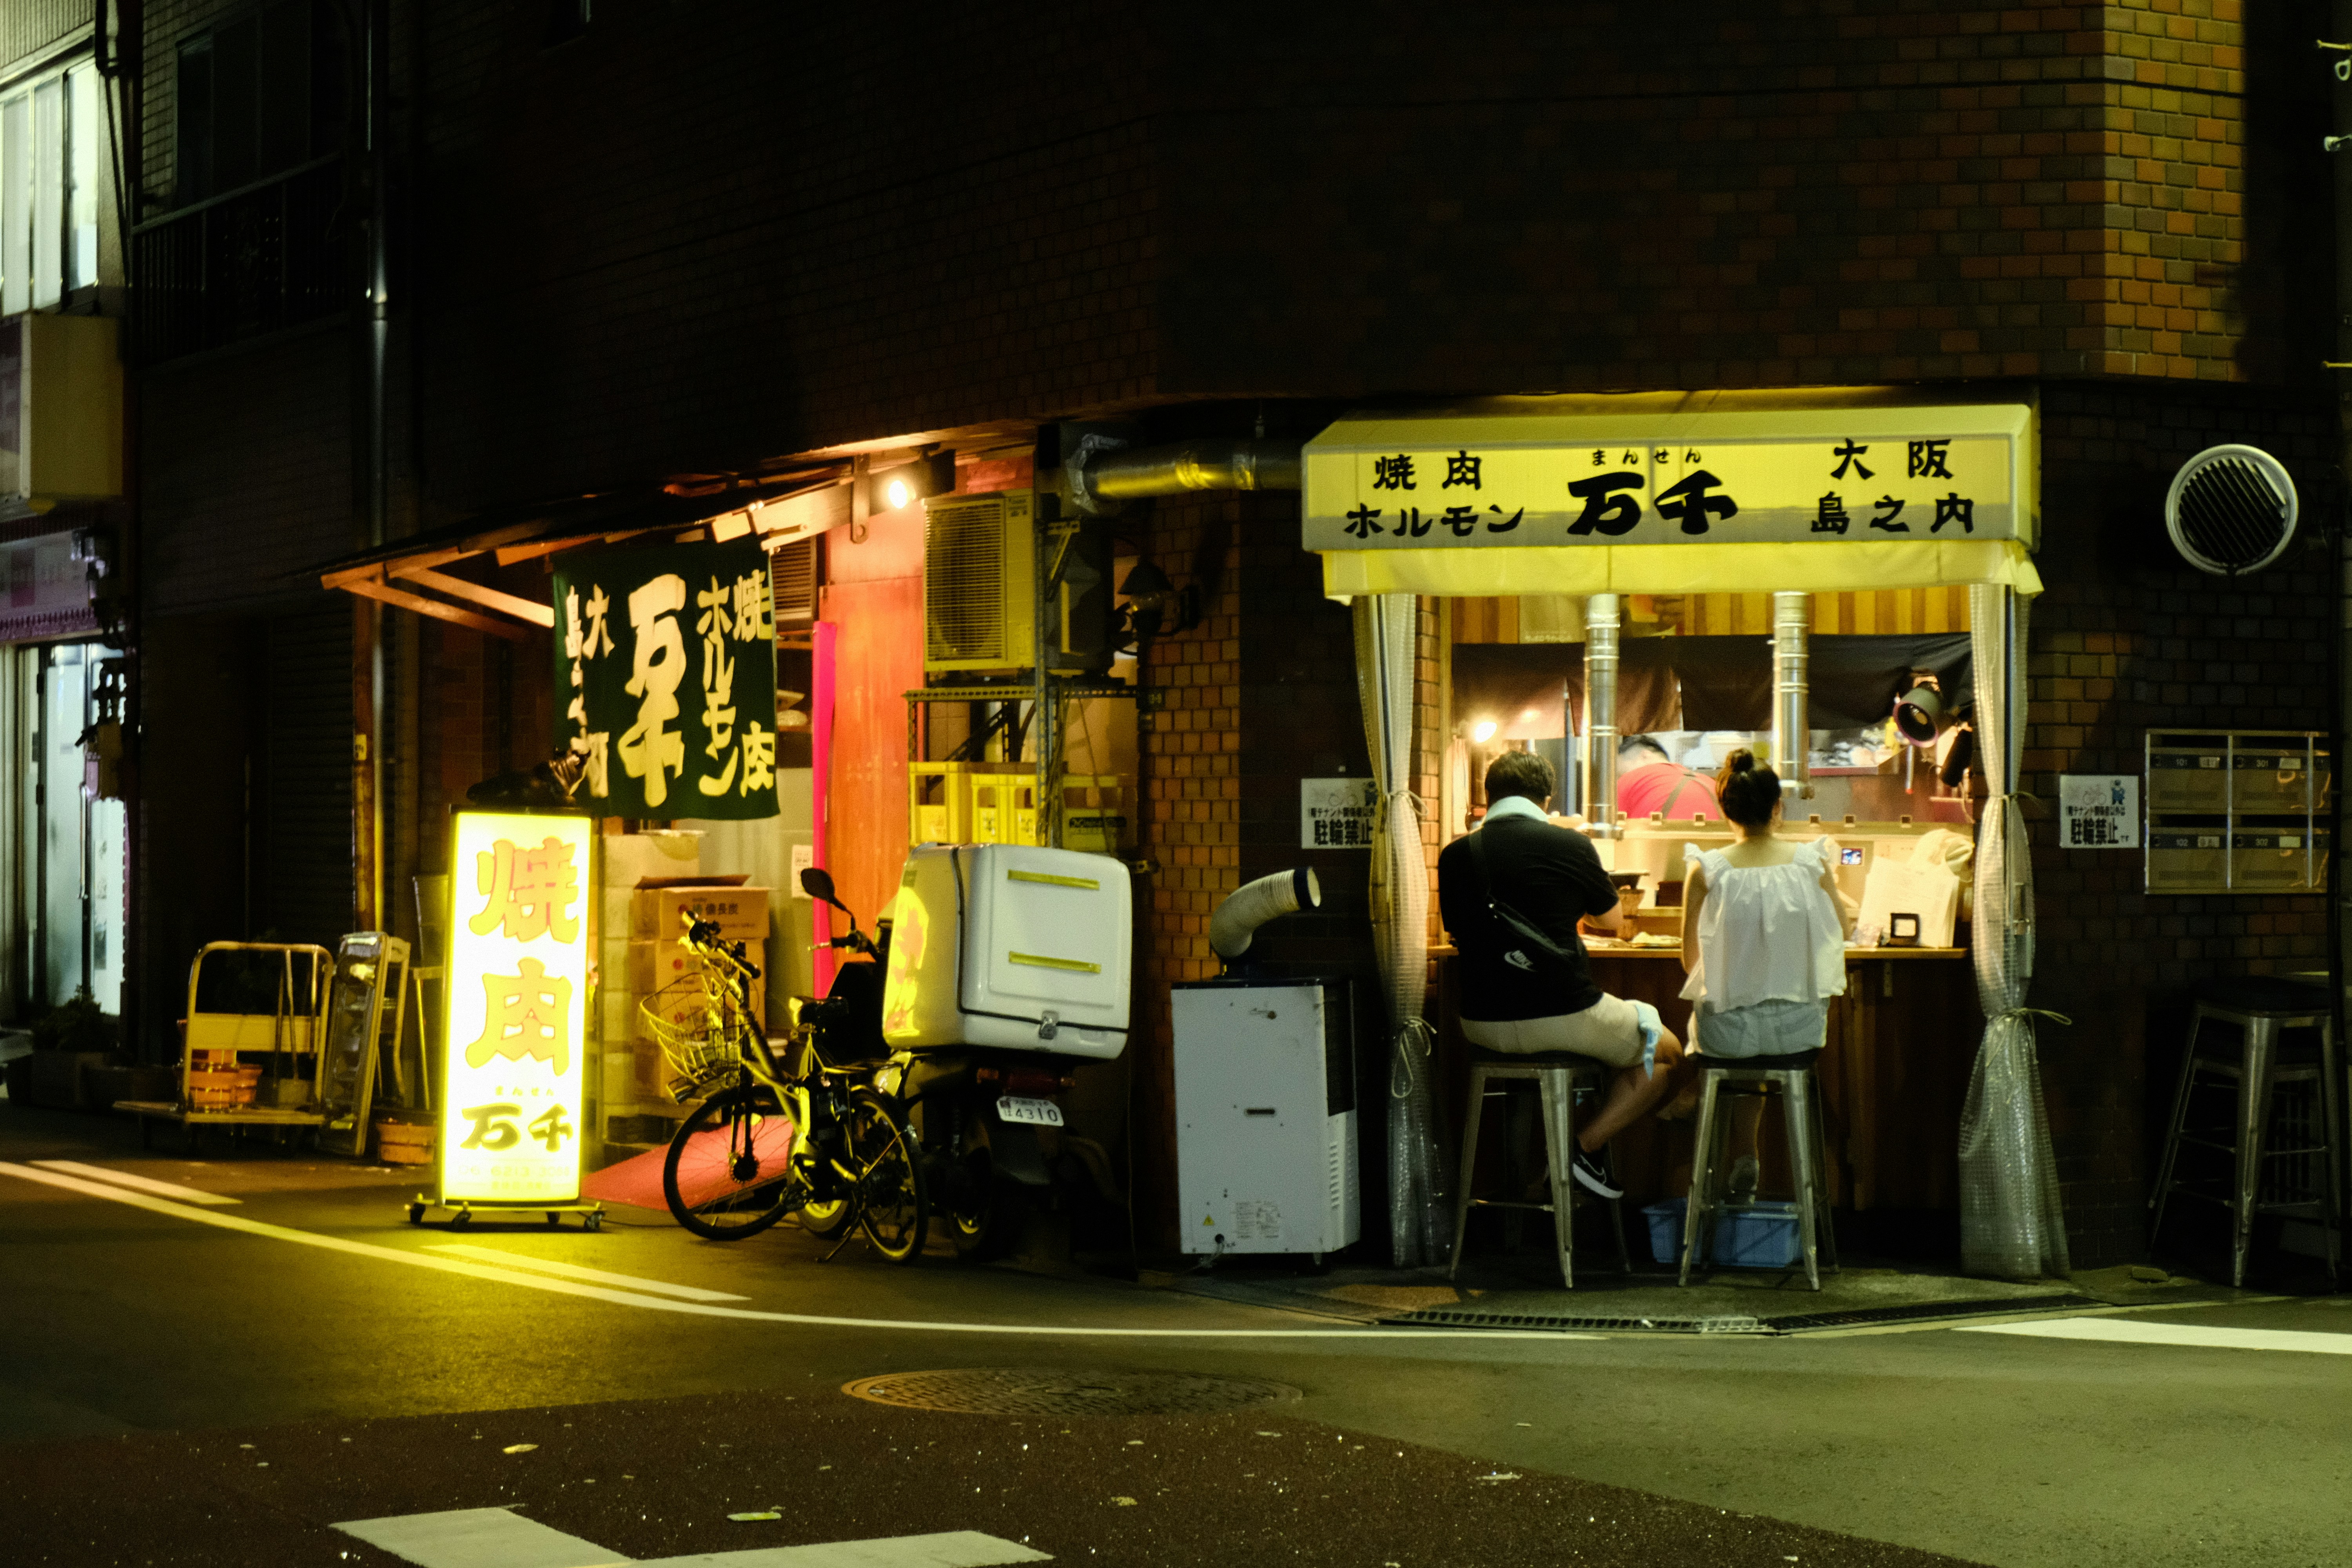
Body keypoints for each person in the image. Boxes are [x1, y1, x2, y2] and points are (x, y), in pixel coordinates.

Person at [1438, 750, 1688, 1200]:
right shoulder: (1570, 845)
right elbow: (1612, 920)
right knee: (1665, 1051)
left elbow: (1456, 928)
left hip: (1480, 1023)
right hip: (1561, 1011)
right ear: (1547, 800)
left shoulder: (1456, 854)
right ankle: (1581, 1150)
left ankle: (1526, 1193)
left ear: (1488, 796)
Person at [1675, 751, 1859, 1199]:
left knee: (1733, 1019)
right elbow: (1843, 929)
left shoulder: (1706, 869)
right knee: (1766, 1013)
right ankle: (1745, 1152)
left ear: (1725, 810)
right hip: (1798, 1035)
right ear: (1778, 807)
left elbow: (1690, 961)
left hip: (1726, 1037)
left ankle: (1729, 1139)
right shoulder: (1812, 863)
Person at [1616, 735, 1724, 822]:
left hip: (1664, 846)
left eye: (1623, 772)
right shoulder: (1708, 781)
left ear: (1646, 755)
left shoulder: (1631, 778)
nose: (1621, 777)